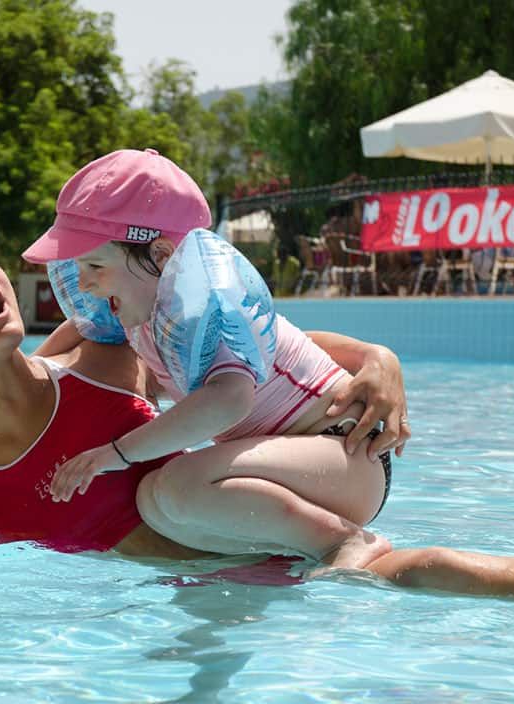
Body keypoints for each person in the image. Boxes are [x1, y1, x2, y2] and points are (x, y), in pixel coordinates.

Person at [0, 225, 514, 610]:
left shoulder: (98, 357)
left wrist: (381, 362)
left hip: (294, 541)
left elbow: (263, 340)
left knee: (434, 570)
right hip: (221, 595)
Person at [22, 149, 396, 562]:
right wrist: (21, 377)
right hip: (297, 466)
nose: (85, 284)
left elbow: (230, 401)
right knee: (154, 501)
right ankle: (276, 555)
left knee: (178, 486)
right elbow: (77, 331)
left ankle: (340, 543)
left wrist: (116, 452)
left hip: (343, 452)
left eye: (95, 265)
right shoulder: (142, 306)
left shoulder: (209, 311)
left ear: (161, 256)